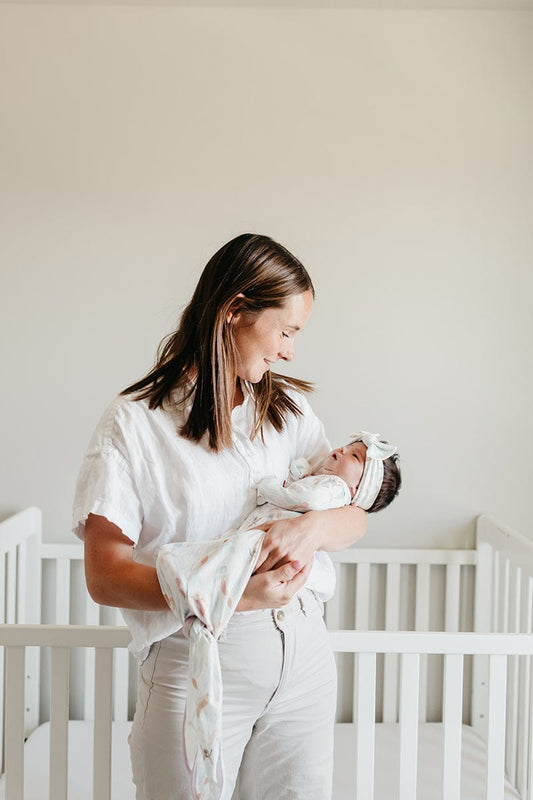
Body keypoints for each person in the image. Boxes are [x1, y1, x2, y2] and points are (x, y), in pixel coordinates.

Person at [73, 233, 367, 800]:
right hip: (199, 663)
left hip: (303, 658)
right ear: (233, 310)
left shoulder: (287, 410)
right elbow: (104, 575)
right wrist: (235, 594)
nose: (288, 351)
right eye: (285, 331)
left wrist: (308, 529)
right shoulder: (135, 424)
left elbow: (351, 515)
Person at [156, 432, 401, 799]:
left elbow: (339, 512)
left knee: (236, 554)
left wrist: (277, 490)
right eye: (348, 447)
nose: (338, 450)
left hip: (299, 646)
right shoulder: (325, 478)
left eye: (354, 456)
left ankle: (192, 578)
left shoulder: (329, 491)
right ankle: (195, 582)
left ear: (359, 486)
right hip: (241, 644)